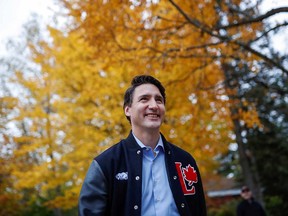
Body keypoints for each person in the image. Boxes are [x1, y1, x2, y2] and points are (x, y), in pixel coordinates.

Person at [78, 75, 207, 216]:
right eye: (144, 99)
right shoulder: (105, 165)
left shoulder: (185, 161)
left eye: (159, 100)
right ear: (128, 110)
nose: (154, 106)